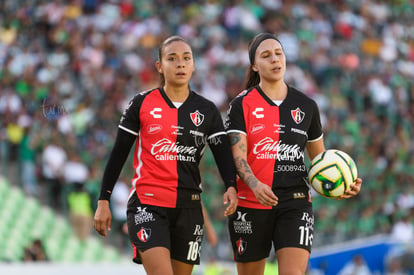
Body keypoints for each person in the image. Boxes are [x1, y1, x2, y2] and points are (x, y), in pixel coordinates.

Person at [93, 35, 238, 275]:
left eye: (186, 58)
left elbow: (223, 154)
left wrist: (231, 186)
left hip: (189, 208)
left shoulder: (207, 110)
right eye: (172, 58)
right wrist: (103, 200)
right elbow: (118, 153)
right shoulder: (141, 103)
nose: (180, 64)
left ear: (193, 65)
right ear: (159, 66)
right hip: (148, 203)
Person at [225, 32, 362, 275]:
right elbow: (237, 157)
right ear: (255, 65)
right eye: (266, 56)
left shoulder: (307, 106)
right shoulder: (241, 104)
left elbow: (320, 161)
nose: (275, 59)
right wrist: (255, 184)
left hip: (295, 201)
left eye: (279, 54)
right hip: (251, 202)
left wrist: (339, 184)